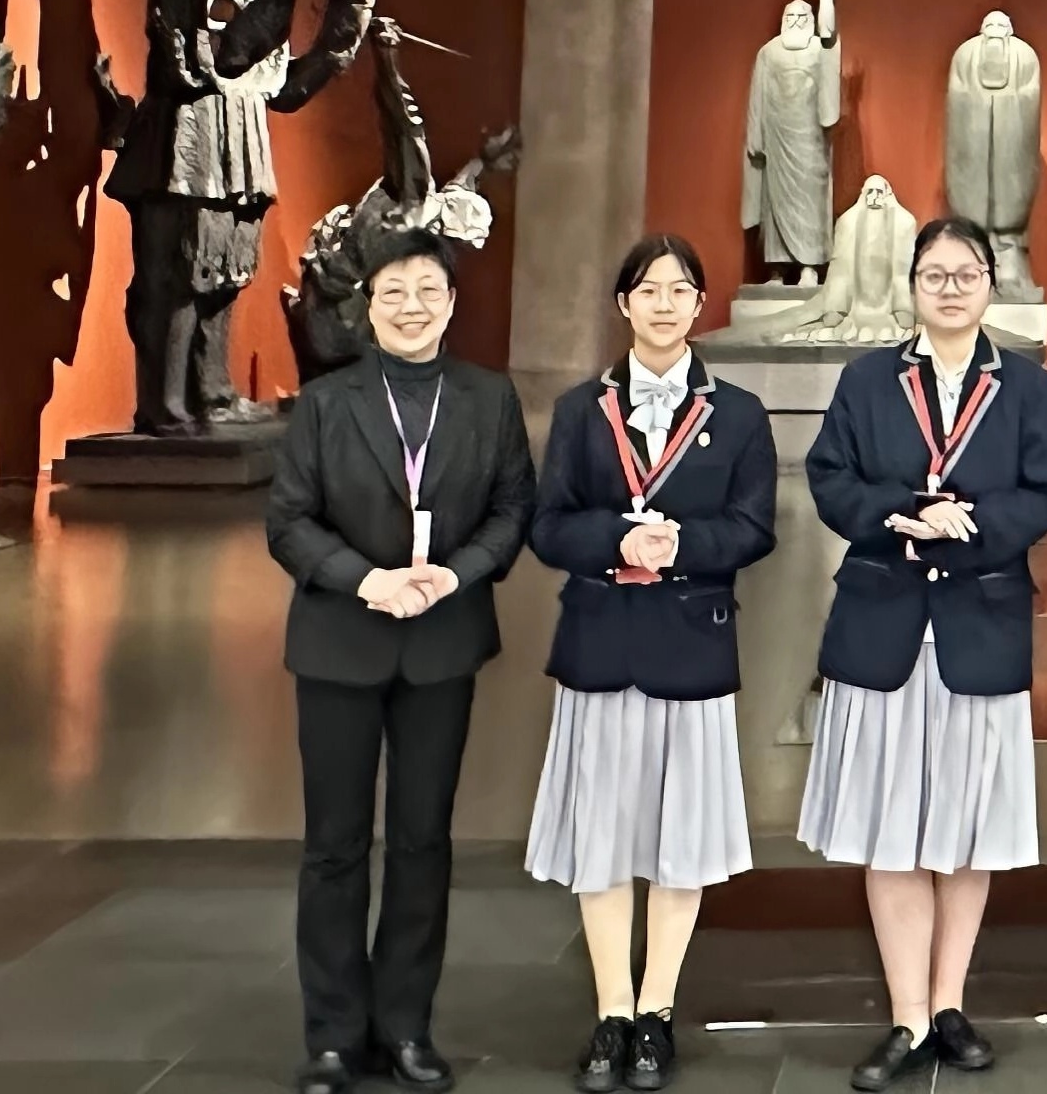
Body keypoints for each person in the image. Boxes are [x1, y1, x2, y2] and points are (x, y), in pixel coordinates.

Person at [799, 215, 1047, 1091]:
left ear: (990, 283)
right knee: (889, 832)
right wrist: (905, 514)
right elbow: (831, 479)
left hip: (978, 627)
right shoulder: (867, 379)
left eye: (965, 274)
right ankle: (906, 1016)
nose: (950, 289)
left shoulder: (1027, 385)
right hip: (881, 624)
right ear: (911, 286)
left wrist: (972, 525)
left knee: (966, 831)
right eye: (933, 275)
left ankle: (949, 1004)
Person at [266, 232, 536, 1094]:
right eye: (393, 292)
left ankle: (406, 1027)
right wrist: (366, 580)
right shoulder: (325, 403)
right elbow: (289, 520)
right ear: (368, 307)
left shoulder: (488, 398)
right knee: (334, 846)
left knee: (422, 842)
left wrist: (454, 575)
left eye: (427, 290)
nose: (411, 306)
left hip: (440, 643)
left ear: (451, 303)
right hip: (339, 643)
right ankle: (333, 1037)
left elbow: (512, 510)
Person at [526, 235, 778, 1093]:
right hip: (600, 642)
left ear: (700, 305)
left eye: (679, 291)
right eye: (648, 290)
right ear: (623, 305)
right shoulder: (580, 409)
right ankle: (610, 1009)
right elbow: (549, 524)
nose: (664, 305)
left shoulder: (737, 413)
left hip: (691, 643)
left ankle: (656, 1011)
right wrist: (616, 539)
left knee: (681, 840)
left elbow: (753, 527)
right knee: (601, 837)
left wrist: (681, 546)